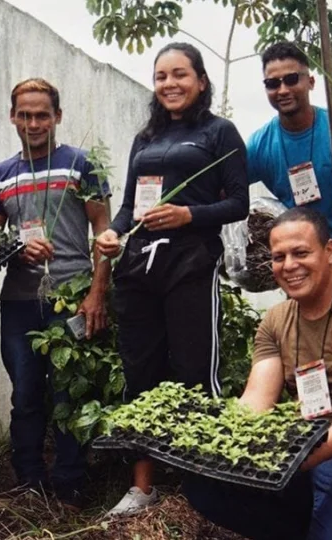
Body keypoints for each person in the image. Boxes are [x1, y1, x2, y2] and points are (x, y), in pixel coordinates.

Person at [184, 207, 332, 540]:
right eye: (278, 257)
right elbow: (256, 400)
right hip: (311, 460)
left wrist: (294, 460)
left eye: (301, 253)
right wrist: (218, 445)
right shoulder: (276, 320)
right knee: (206, 484)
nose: (289, 266)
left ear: (328, 252)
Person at [95, 42, 249, 516]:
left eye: (180, 74)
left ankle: (203, 486)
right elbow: (127, 209)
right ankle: (143, 488)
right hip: (140, 269)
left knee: (193, 372)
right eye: (161, 76)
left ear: (201, 80)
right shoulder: (145, 139)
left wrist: (188, 215)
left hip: (191, 265)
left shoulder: (219, 132)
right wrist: (112, 233)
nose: (169, 84)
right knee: (140, 373)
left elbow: (238, 203)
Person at [0, 78, 111, 509]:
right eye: (25, 114)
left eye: (42, 114)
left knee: (69, 392)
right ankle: (29, 482)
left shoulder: (82, 164)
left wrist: (97, 295)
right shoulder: (0, 175)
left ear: (57, 116)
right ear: (13, 117)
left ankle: (71, 483)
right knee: (25, 393)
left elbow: (103, 233)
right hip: (18, 303)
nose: (33, 123)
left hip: (72, 297)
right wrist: (16, 250)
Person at [246, 41, 332, 280]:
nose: (282, 90)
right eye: (272, 83)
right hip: (302, 273)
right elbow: (227, 190)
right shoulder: (260, 145)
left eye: (291, 79)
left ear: (310, 82)